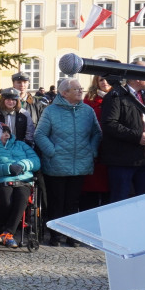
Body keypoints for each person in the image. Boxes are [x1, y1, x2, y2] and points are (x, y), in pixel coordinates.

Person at [35, 78, 101, 246]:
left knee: (73, 202)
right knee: (57, 200)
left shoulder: (87, 110)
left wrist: (91, 151)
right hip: (56, 164)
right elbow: (40, 134)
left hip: (80, 163)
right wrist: (52, 152)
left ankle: (71, 235)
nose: (81, 91)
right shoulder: (51, 111)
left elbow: (97, 133)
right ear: (64, 93)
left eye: (81, 88)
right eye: (76, 89)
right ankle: (56, 235)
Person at [100, 60, 145, 202]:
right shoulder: (116, 95)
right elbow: (109, 124)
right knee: (120, 201)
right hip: (123, 160)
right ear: (137, 76)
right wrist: (136, 136)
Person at [0, 125, 41, 247]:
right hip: (0, 180)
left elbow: (35, 161)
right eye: (3, 133)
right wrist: (8, 168)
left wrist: (22, 165)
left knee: (22, 200)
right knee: (6, 201)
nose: (6, 135)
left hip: (23, 179)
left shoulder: (21, 145)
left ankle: (7, 234)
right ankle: (0, 231)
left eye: (8, 132)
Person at [80, 74, 113, 210]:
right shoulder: (90, 99)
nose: (104, 82)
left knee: (109, 187)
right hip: (94, 146)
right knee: (92, 186)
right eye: (101, 80)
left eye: (107, 79)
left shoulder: (118, 96)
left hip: (112, 146)